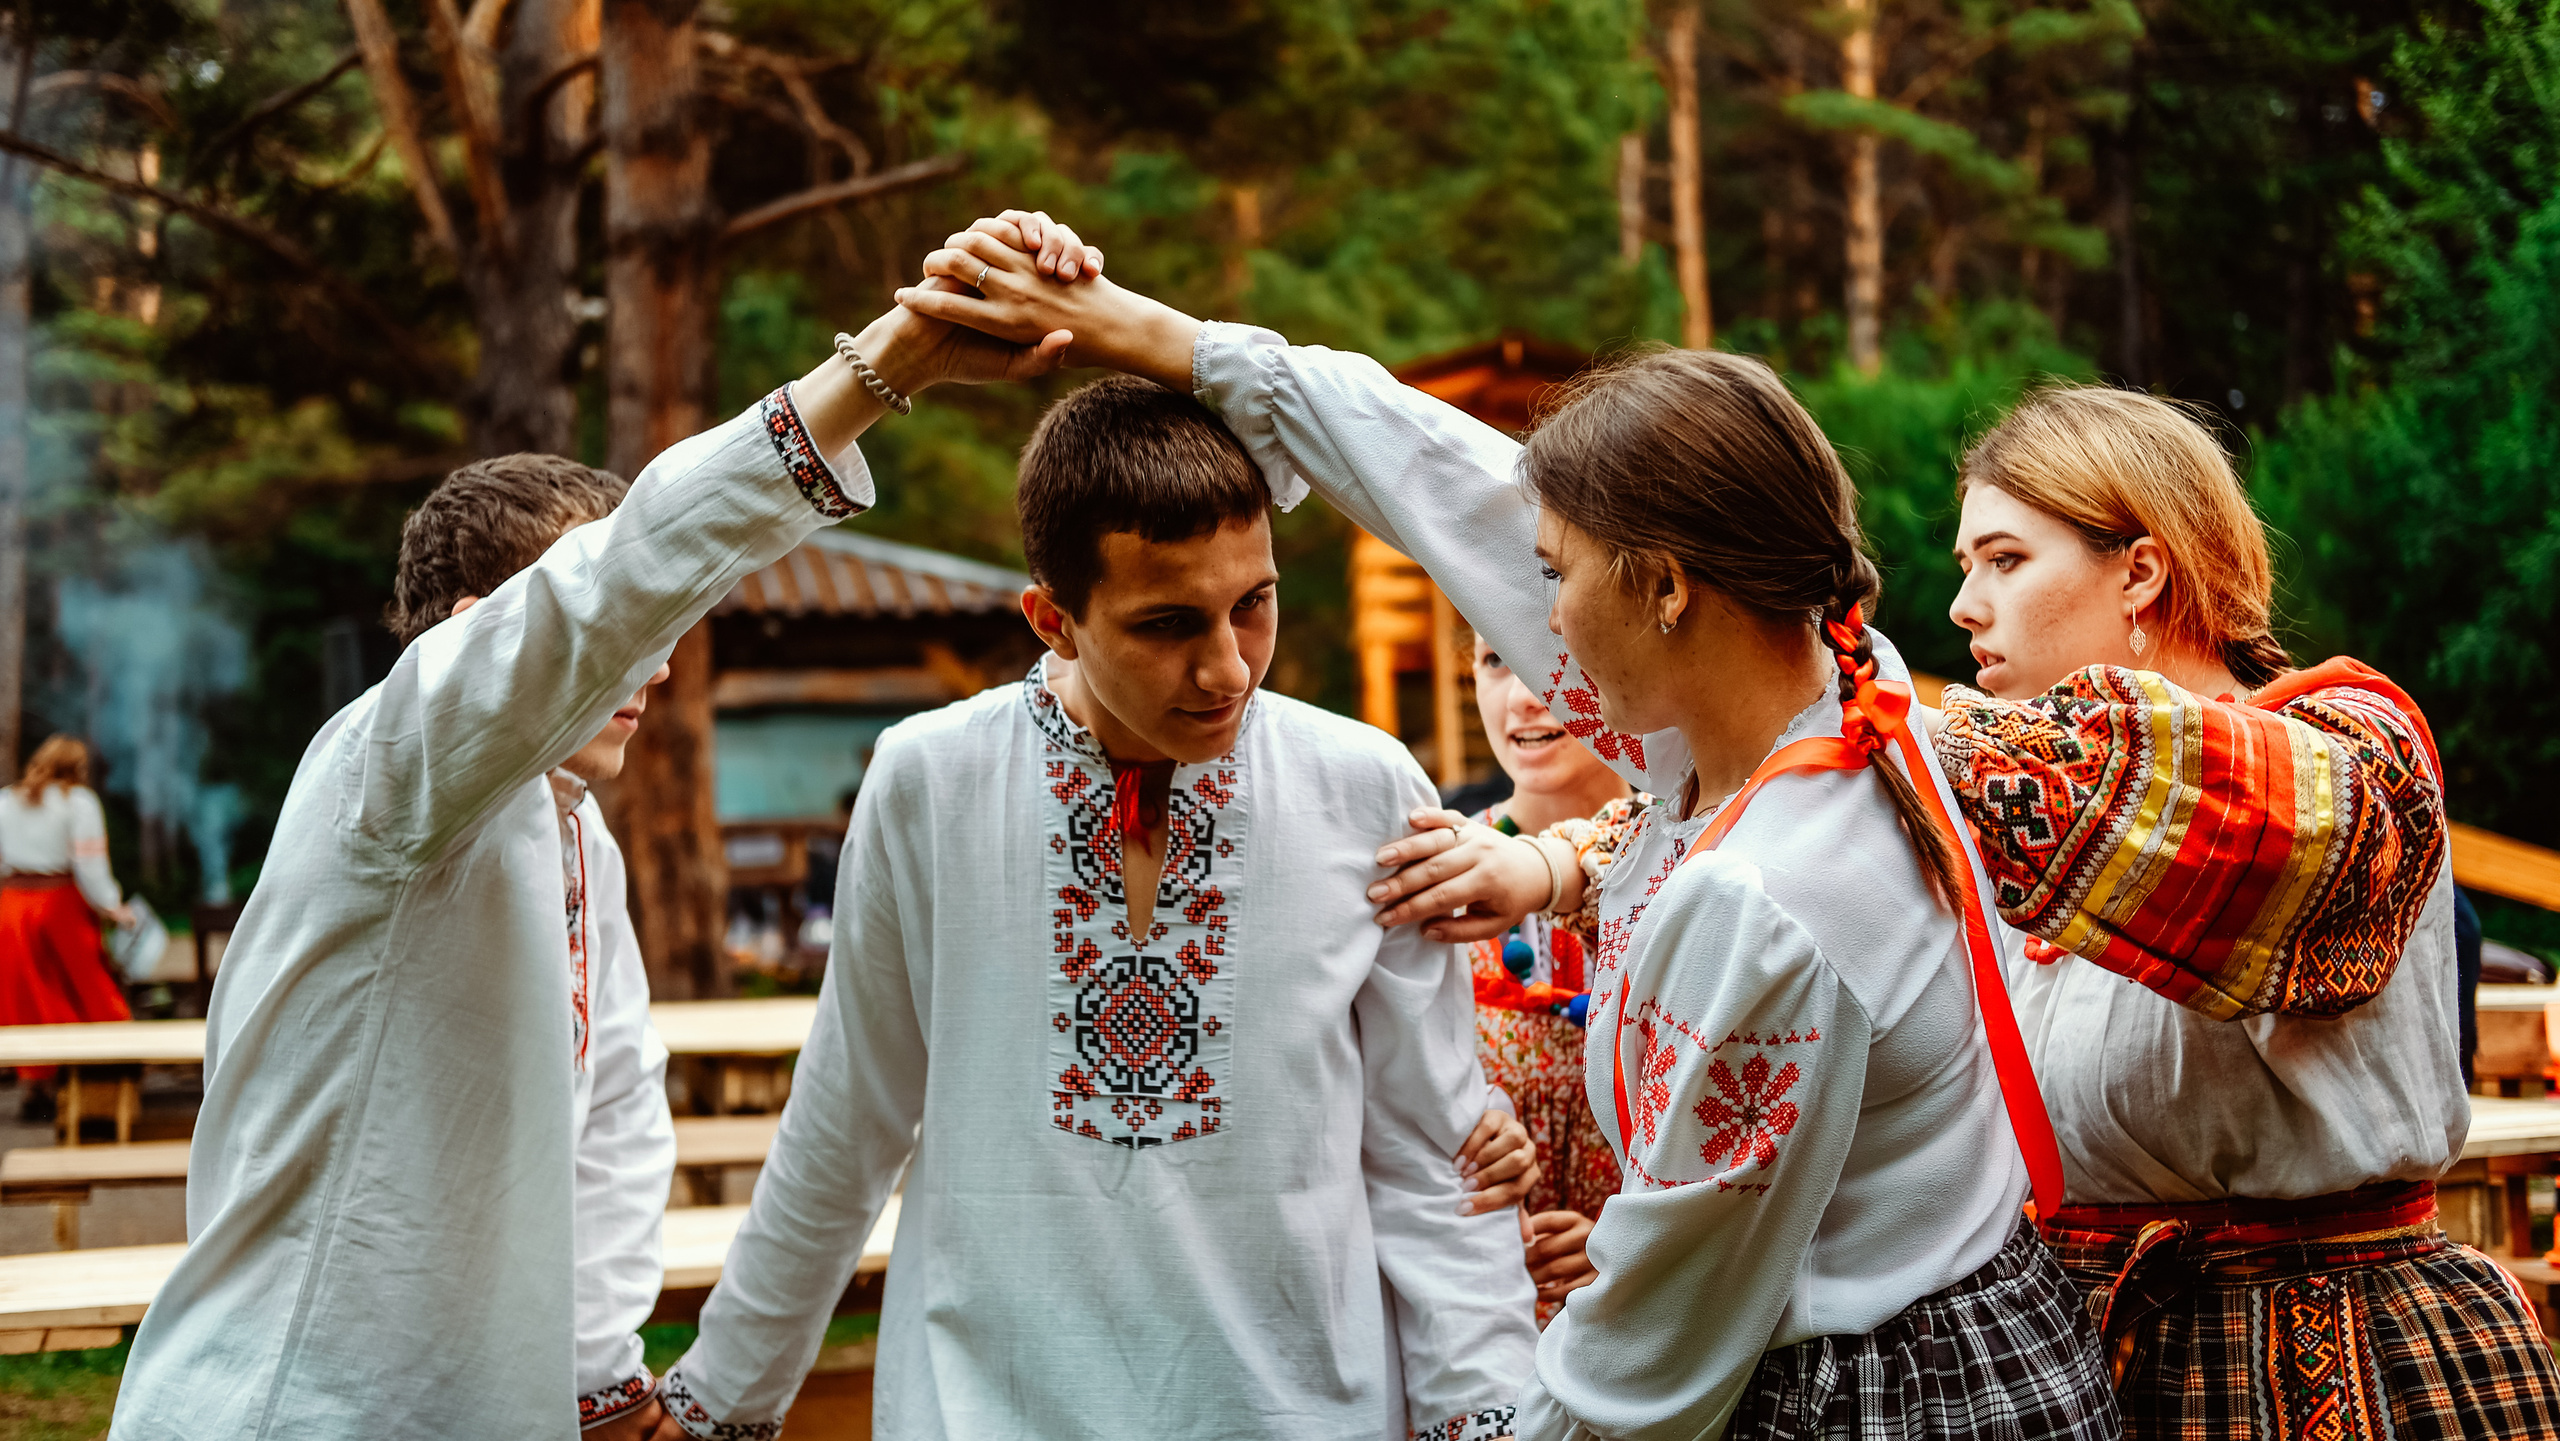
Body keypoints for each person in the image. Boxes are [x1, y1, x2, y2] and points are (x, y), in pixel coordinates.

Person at [905, 217, 2119, 1439]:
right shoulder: (1838, 688)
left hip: (1870, 1399)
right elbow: (1448, 480)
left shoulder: (1764, 894)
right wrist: (1150, 335)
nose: (1540, 629)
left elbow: (1658, 1335)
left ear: (1665, 586)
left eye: (1555, 577)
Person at [112, 291, 1081, 1441]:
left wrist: (601, 1385)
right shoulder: (388, 769)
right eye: (632, 634)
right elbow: (605, 593)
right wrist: (883, 368)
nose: (658, 667)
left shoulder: (574, 828)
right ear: (476, 632)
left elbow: (614, 1118)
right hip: (286, 1410)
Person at [640, 375, 1540, 1441]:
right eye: (1168, 623)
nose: (1227, 668)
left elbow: (1436, 1160)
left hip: (1300, 1411)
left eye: (1252, 604)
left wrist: (1487, 1417)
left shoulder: (1365, 787)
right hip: (985, 1407)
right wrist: (720, 1401)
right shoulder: (929, 780)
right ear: (1052, 621)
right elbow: (847, 1119)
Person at [1933, 385, 2560, 1438]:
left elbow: (2224, 828)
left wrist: (1882, 730)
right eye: (1965, 566)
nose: (1965, 605)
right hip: (2089, 1357)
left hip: (2333, 1359)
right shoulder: (2014, 816)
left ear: (2140, 570)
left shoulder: (2343, 752)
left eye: (2004, 559)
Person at [1453, 632, 1624, 1325]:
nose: (1523, 695)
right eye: (1496, 658)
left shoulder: (1691, 865)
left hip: (1654, 1320)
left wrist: (1633, 1246)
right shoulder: (1435, 874)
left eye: (1557, 656)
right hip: (1478, 1319)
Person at [0, 735, 136, 1120]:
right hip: (59, 904)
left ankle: (35, 1087)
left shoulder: (5, 801)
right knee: (86, 985)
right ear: (77, 767)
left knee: (28, 994)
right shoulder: (78, 802)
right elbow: (89, 865)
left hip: (12, 906)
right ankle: (104, 1070)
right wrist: (112, 905)